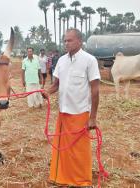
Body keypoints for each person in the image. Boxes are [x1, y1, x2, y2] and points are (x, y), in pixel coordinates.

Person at [43, 29, 100, 187]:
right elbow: (56, 85)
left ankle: (81, 181)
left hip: (80, 113)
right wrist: (46, 92)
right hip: (63, 113)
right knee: (62, 149)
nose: (66, 43)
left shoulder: (89, 60)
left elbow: (95, 90)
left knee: (79, 151)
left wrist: (93, 117)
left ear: (79, 41)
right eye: (65, 41)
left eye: (70, 40)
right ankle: (61, 178)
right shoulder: (61, 60)